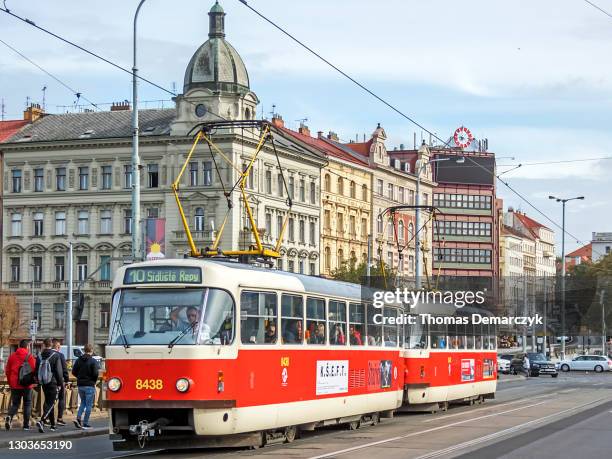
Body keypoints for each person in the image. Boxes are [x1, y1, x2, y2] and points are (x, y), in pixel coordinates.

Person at [4, 339, 36, 431]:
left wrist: (10, 383)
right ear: (27, 347)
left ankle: (9, 417)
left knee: (15, 404)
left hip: (14, 384)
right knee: (27, 404)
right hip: (26, 385)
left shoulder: (12, 356)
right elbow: (34, 370)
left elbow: (7, 371)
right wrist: (33, 381)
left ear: (19, 347)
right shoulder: (30, 357)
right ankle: (26, 425)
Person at [36, 338, 64, 432]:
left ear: (44, 344)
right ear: (51, 345)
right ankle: (42, 420)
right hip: (53, 382)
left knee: (48, 402)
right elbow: (59, 372)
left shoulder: (39, 356)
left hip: (43, 382)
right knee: (51, 403)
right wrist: (60, 384)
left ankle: (53, 425)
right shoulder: (55, 355)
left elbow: (36, 370)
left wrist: (38, 380)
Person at [72, 343, 100, 430]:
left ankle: (78, 418)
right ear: (91, 351)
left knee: (83, 403)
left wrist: (80, 378)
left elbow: (73, 371)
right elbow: (96, 373)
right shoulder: (93, 361)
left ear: (84, 350)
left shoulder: (78, 360)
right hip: (89, 385)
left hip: (80, 385)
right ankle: (85, 423)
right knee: (89, 405)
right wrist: (93, 381)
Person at [52, 339, 68, 426]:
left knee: (49, 400)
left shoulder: (45, 354)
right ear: (58, 347)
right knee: (61, 398)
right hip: (58, 380)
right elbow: (64, 369)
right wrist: (66, 379)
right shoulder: (60, 355)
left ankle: (47, 419)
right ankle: (59, 418)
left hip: (47, 380)